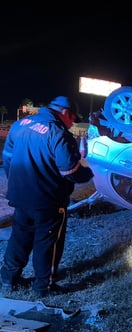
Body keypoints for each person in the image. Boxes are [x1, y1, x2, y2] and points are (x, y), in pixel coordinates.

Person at [0, 96, 94, 297]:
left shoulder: (20, 124)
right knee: (47, 243)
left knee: (19, 238)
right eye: (73, 119)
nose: (72, 123)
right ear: (66, 113)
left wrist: (17, 184)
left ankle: (8, 280)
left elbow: (7, 159)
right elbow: (70, 171)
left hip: (21, 196)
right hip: (48, 200)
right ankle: (44, 287)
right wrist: (89, 172)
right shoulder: (58, 132)